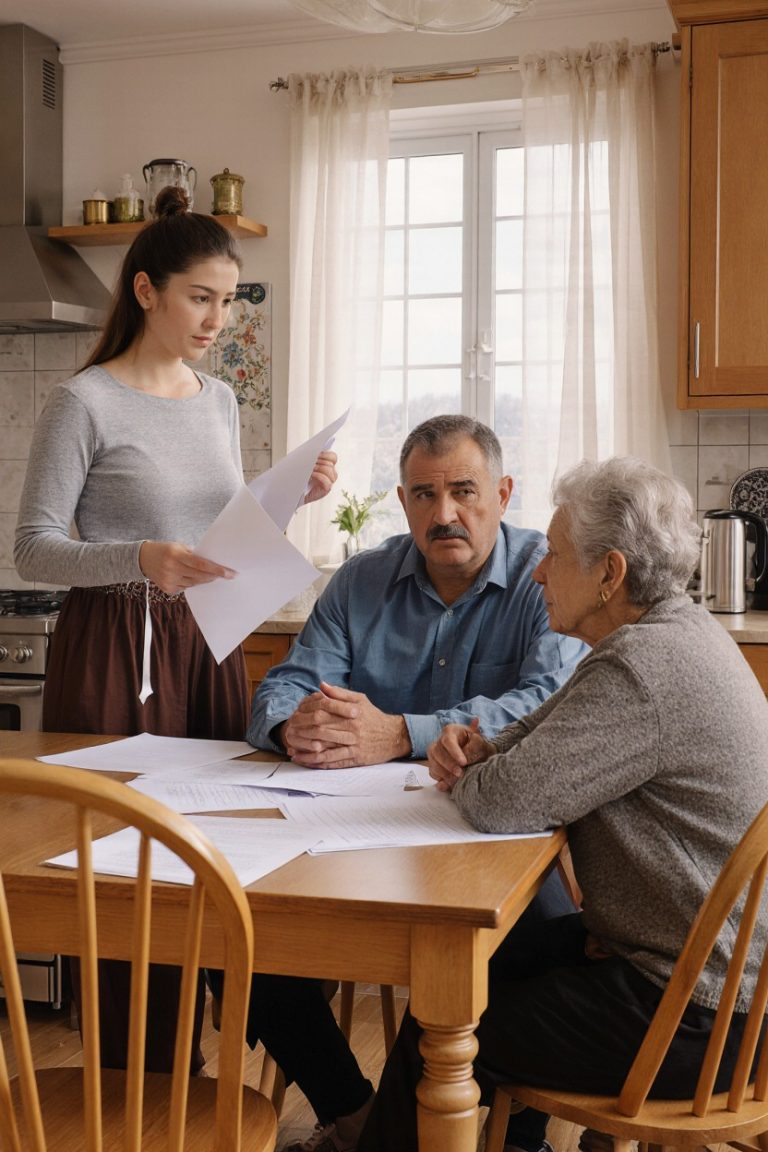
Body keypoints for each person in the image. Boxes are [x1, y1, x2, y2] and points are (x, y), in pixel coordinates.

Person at [13, 185, 337, 1075]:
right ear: (147, 290)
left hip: (205, 643)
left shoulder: (220, 401)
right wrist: (139, 556)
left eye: (229, 301)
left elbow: (214, 531)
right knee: (121, 871)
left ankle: (199, 1081)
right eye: (201, 296)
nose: (217, 318)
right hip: (116, 653)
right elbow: (34, 551)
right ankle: (136, 1083)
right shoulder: (84, 402)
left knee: (213, 853)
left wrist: (284, 495)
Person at [357, 456, 768, 1152]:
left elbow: (505, 800)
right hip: (715, 986)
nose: (538, 571)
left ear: (609, 573)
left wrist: (476, 771)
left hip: (694, 1015)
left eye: (552, 554)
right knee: (470, 971)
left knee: (448, 1022)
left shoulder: (641, 667)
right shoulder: (667, 635)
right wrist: (482, 747)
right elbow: (534, 735)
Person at [249, 414, 587, 767]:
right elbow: (283, 691)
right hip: (360, 806)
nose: (443, 516)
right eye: (424, 494)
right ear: (403, 501)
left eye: (464, 492)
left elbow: (552, 707)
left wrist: (401, 734)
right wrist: (294, 729)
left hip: (486, 803)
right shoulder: (357, 581)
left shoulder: (547, 577)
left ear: (502, 496)